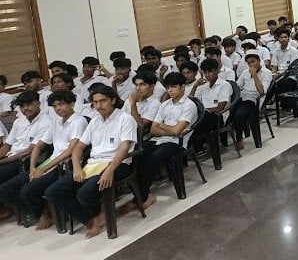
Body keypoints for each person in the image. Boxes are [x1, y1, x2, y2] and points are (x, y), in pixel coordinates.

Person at [45, 85, 137, 238]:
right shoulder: (94, 121)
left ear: (113, 100)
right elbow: (78, 148)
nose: (99, 105)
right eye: (95, 102)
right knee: (53, 192)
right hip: (93, 165)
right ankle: (91, 218)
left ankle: (98, 215)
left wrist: (109, 170)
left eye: (103, 101)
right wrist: (76, 168)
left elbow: (124, 149)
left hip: (118, 164)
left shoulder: (125, 119)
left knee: (84, 193)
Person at [0, 90, 86, 229]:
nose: (58, 108)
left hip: (64, 165)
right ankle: (43, 212)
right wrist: (33, 168)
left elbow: (69, 151)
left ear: (72, 104)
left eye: (61, 104)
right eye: (55, 106)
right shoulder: (56, 123)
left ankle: (46, 213)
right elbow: (38, 146)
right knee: (7, 188)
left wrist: (43, 169)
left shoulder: (78, 121)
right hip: (49, 163)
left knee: (28, 190)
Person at [120, 72, 198, 214]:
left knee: (152, 159)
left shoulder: (189, 106)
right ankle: (141, 194)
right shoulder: (165, 105)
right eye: (168, 87)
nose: (170, 91)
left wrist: (165, 127)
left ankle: (141, 198)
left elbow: (177, 132)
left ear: (183, 87)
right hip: (158, 140)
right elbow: (154, 130)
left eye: (174, 87)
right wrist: (170, 129)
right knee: (135, 155)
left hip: (176, 143)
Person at [233, 53, 272, 149]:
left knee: (238, 115)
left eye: (253, 62)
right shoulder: (245, 72)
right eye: (249, 63)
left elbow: (262, 91)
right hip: (243, 97)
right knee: (229, 111)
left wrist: (254, 75)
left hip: (254, 100)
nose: (251, 65)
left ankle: (239, 139)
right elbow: (237, 87)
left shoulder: (266, 73)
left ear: (259, 61)